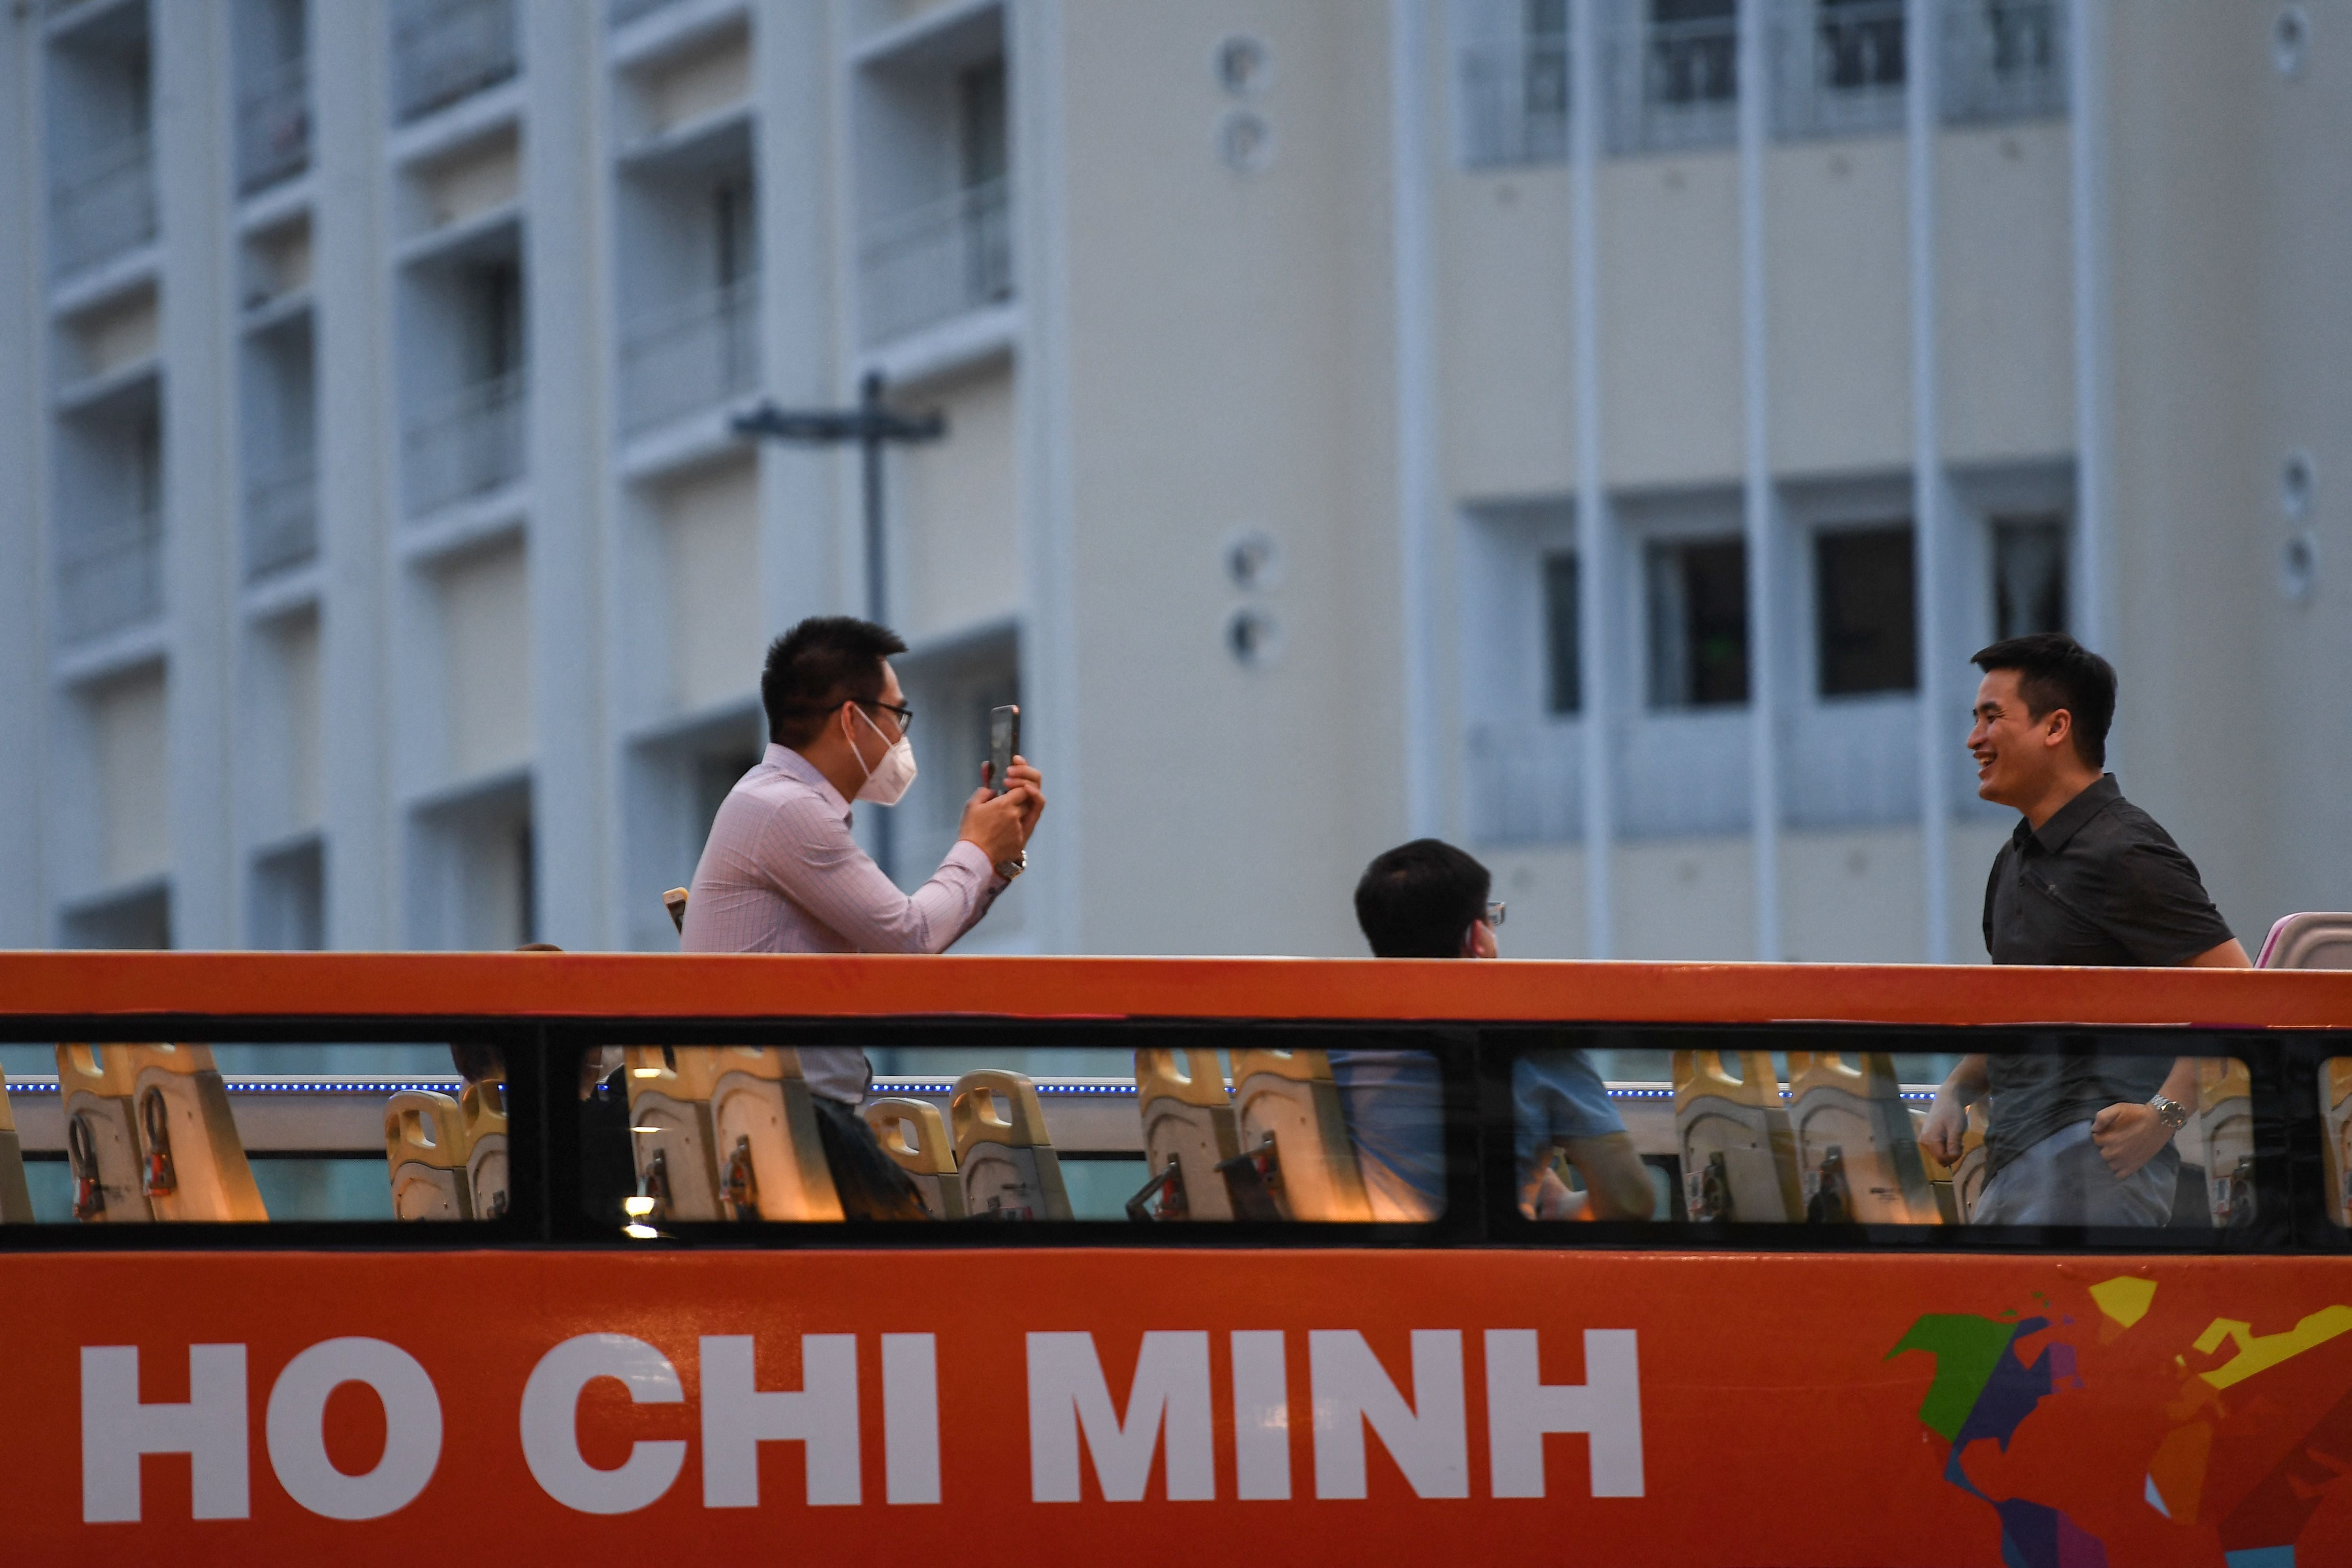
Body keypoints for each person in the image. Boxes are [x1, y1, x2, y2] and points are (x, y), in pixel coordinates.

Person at [681, 616, 1045, 1216]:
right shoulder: (787, 811)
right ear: (852, 719)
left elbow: (904, 940)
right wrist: (978, 850)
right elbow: (911, 936)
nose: (903, 739)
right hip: (793, 1130)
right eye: (897, 716)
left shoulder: (771, 800)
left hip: (790, 1122)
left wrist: (997, 862)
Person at [1919, 633, 2249, 1227]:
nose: (1974, 739)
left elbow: (2241, 995)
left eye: (1993, 718)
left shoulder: (2122, 848)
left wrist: (2164, 1116)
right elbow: (2026, 1007)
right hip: (2017, 1163)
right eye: (1975, 719)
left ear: (2056, 727)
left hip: (2097, 1174)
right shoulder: (2018, 856)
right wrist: (1959, 1087)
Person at [1339, 839, 1654, 1223]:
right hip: (1503, 1277)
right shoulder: (1537, 1045)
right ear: (1478, 940)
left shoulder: (1338, 1050)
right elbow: (1629, 1202)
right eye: (1491, 917)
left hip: (1376, 1276)